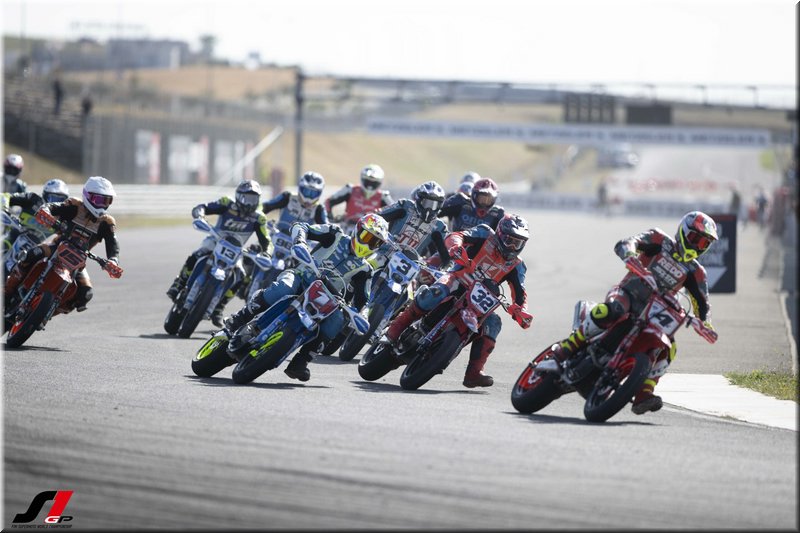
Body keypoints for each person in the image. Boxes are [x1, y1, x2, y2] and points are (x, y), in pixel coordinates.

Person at [551, 211, 719, 415]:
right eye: (695, 239)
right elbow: (626, 243)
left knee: (669, 347)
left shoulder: (696, 271)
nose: (697, 246)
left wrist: (706, 324)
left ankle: (644, 393)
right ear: (683, 232)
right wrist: (630, 256)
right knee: (613, 310)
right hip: (629, 294)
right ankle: (567, 347)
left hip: (656, 313)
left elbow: (703, 304)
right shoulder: (659, 239)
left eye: (704, 244)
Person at [223, 213, 390, 382]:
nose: (368, 244)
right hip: (301, 276)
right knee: (283, 288)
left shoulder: (365, 269)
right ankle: (239, 318)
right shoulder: (335, 234)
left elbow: (362, 300)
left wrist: (359, 313)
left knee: (337, 321)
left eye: (375, 242)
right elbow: (301, 226)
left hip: (326, 298)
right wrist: (300, 242)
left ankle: (301, 361)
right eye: (367, 237)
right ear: (357, 230)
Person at [380, 214, 533, 388]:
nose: (512, 246)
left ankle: (474, 373)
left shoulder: (517, 265)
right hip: (457, 280)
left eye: (517, 243)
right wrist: (456, 247)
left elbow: (520, 292)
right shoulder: (484, 234)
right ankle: (395, 328)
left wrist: (522, 310)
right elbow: (457, 235)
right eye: (509, 240)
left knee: (494, 323)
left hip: (479, 301)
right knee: (437, 292)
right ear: (500, 233)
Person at [4, 176, 121, 313]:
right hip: (56, 247)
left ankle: (49, 312)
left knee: (86, 293)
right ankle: (7, 291)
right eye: (99, 200)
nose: (103, 205)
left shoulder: (107, 222)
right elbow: (52, 207)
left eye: (107, 201)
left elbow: (113, 243)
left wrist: (113, 260)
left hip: (78, 261)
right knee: (31, 255)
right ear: (88, 196)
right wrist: (46, 212)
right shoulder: (74, 205)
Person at [166, 180, 270, 327]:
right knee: (198, 254)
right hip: (216, 240)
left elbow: (266, 240)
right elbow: (204, 207)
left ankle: (219, 307)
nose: (249, 203)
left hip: (236, 250)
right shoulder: (227, 203)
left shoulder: (259, 218)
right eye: (246, 198)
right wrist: (200, 214)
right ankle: (179, 283)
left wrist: (267, 253)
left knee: (240, 275)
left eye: (253, 199)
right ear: (238, 196)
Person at [373, 180, 451, 271]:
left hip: (408, 269)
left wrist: (441, 267)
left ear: (439, 206)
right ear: (419, 200)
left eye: (433, 205)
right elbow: (377, 217)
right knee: (365, 269)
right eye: (427, 203)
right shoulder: (405, 206)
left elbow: (446, 256)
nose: (429, 209)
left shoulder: (440, 227)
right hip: (382, 254)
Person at [3, 179, 70, 260]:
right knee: (7, 238)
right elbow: (6, 197)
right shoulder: (32, 198)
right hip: (17, 235)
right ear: (45, 195)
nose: (55, 203)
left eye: (60, 200)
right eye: (52, 198)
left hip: (40, 251)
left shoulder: (65, 218)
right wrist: (4, 207)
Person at [324, 164, 393, 231]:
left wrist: (389, 229)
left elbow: (395, 212)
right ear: (362, 179)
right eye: (368, 181)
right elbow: (328, 202)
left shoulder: (384, 196)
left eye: (374, 183)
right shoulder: (350, 189)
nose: (370, 185)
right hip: (346, 229)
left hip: (369, 232)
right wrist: (329, 219)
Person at [438, 176, 505, 232]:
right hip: (455, 242)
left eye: (488, 200)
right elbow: (437, 212)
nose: (484, 203)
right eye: (482, 199)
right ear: (474, 195)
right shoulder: (460, 202)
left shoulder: (497, 214)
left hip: (483, 244)